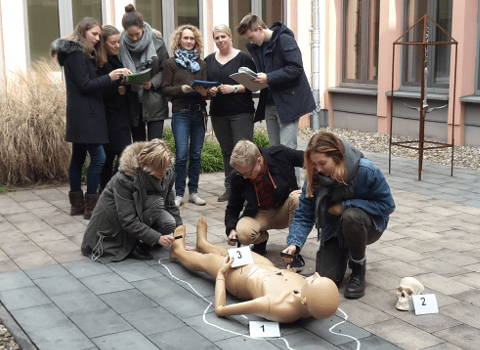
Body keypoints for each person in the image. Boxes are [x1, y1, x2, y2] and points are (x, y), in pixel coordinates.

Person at [283, 132, 396, 299]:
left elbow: (387, 206)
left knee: (351, 216)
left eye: (322, 163)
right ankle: (346, 248)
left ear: (336, 156)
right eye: (314, 164)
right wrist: (294, 243)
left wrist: (346, 206)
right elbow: (304, 214)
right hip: (333, 229)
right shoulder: (314, 177)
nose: (318, 169)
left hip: (367, 225)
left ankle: (358, 269)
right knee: (326, 281)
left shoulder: (366, 170)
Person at [170, 218, 339, 323]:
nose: (313, 275)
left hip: (240, 277)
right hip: (266, 267)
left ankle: (178, 251)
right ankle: (204, 245)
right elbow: (318, 303)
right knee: (229, 252)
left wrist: (221, 275)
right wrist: (289, 274)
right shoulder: (312, 303)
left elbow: (221, 309)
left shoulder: (276, 306)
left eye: (312, 281)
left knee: (208, 261)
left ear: (304, 298)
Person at [51, 17, 131, 220]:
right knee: (99, 158)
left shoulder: (78, 53)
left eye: (98, 35)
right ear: (83, 31)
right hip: (87, 115)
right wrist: (110, 77)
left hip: (82, 113)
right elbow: (85, 85)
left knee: (78, 158)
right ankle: (91, 205)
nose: (97, 39)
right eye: (94, 34)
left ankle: (77, 205)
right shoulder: (77, 53)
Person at [236, 13, 316, 186]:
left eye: (251, 37)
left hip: (288, 104)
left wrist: (269, 77)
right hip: (270, 104)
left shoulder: (285, 40)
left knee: (287, 150)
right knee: (275, 151)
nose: (250, 42)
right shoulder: (257, 46)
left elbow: (296, 69)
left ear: (259, 29)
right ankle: (280, 188)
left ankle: (295, 193)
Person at [81, 139, 188, 263]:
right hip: (115, 224)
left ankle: (146, 241)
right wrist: (157, 237)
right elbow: (128, 219)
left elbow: (170, 206)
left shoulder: (166, 173)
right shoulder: (125, 178)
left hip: (140, 212)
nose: (164, 172)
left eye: (166, 168)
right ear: (148, 166)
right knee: (157, 203)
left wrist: (180, 240)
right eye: (160, 169)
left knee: (169, 222)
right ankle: (132, 244)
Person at [225, 140, 305, 270]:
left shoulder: (281, 154)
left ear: (259, 161)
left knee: (298, 198)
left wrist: (308, 188)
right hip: (260, 213)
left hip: (285, 208)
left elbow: (312, 161)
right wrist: (231, 229)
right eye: (241, 173)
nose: (244, 177)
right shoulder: (238, 176)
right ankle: (261, 241)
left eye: (247, 173)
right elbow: (233, 207)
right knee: (243, 233)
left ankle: (293, 250)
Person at [205, 24, 256, 202]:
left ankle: (248, 189)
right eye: (216, 38)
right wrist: (209, 92)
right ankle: (231, 189)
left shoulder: (243, 58)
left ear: (230, 37)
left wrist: (234, 88)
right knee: (227, 152)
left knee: (244, 152)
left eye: (223, 37)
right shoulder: (209, 60)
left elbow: (254, 85)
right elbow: (204, 86)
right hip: (218, 113)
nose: (220, 41)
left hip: (241, 112)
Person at [161, 24, 209, 207]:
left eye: (192, 38)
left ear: (195, 41)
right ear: (179, 40)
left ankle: (194, 192)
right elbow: (165, 89)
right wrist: (181, 89)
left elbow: (209, 90)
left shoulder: (202, 64)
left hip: (199, 113)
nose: (189, 41)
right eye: (185, 38)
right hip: (180, 113)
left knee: (196, 155)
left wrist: (206, 93)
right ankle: (179, 193)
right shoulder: (171, 63)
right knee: (181, 155)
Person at [118, 4, 170, 142]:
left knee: (155, 145)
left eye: (137, 34)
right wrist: (124, 81)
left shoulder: (158, 43)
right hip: (132, 102)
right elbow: (115, 69)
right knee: (138, 145)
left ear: (143, 28)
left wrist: (152, 83)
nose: (134, 38)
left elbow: (165, 69)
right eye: (130, 35)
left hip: (154, 100)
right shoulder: (120, 45)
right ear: (124, 31)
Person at [97, 25, 133, 193]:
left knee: (121, 155)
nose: (117, 46)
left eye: (119, 42)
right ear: (103, 43)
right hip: (108, 116)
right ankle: (105, 189)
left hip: (120, 114)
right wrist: (116, 86)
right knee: (110, 156)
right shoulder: (99, 63)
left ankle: (115, 189)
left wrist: (126, 86)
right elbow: (98, 89)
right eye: (113, 43)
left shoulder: (116, 59)